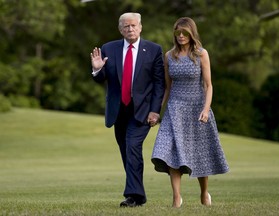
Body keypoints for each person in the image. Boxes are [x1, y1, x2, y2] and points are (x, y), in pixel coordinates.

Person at [151, 17, 229, 208]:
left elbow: (208, 85)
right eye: (178, 33)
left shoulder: (201, 54)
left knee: (199, 153)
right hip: (174, 109)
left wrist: (205, 109)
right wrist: (156, 111)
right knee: (168, 151)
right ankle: (176, 197)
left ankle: (204, 193)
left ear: (191, 33)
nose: (181, 36)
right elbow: (168, 88)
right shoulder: (169, 56)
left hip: (197, 108)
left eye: (185, 33)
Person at [90, 12, 165, 207]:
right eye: (126, 26)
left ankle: (132, 195)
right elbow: (101, 78)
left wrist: (155, 111)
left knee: (132, 146)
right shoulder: (109, 48)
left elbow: (159, 84)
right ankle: (138, 195)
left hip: (142, 111)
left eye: (133, 26)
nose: (130, 29)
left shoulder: (154, 50)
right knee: (126, 151)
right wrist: (98, 69)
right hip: (118, 111)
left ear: (140, 27)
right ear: (120, 29)